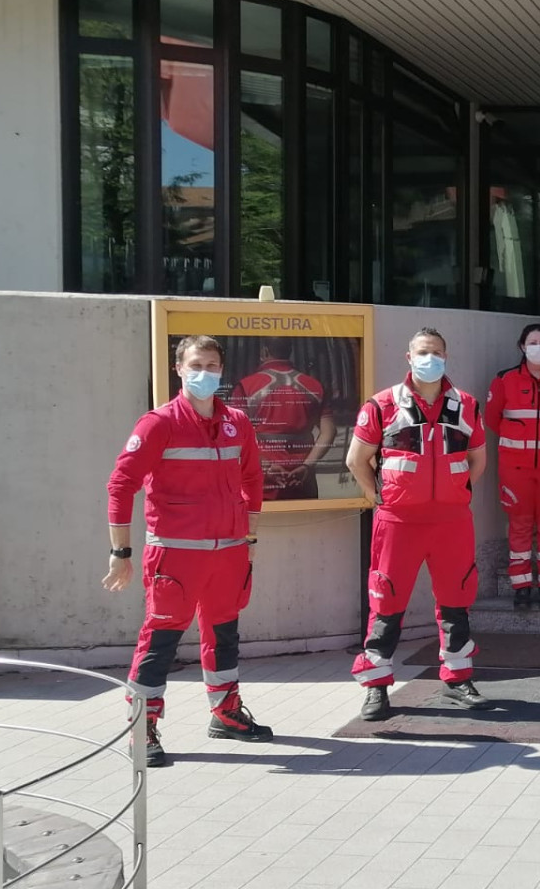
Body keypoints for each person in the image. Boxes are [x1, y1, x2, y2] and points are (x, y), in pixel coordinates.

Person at [105, 334, 272, 767]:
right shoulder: (158, 423)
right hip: (175, 555)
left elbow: (253, 480)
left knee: (225, 634)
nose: (205, 373)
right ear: (179, 369)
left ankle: (226, 713)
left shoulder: (236, 421)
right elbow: (121, 485)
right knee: (160, 641)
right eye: (196, 365)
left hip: (230, 552)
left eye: (213, 365)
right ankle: (142, 729)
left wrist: (250, 540)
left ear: (222, 370)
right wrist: (120, 551)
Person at [345, 328, 492, 721]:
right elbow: (356, 460)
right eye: (424, 352)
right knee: (386, 600)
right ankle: (376, 687)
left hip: (452, 521)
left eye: (438, 352)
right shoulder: (381, 404)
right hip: (398, 521)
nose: (432, 358)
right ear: (409, 357)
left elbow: (478, 460)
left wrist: (453, 491)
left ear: (447, 356)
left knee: (457, 600)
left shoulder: (467, 405)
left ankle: (458, 679)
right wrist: (378, 497)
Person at [489, 324, 540, 609]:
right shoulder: (504, 380)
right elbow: (491, 419)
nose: (538, 346)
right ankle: (522, 585)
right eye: (532, 342)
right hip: (515, 470)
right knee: (520, 525)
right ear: (522, 346)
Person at [227, 339, 336, 502]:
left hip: (263, 475)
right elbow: (329, 432)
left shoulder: (245, 386)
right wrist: (306, 465)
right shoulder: (315, 386)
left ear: (264, 352)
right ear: (289, 352)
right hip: (302, 478)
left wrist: (266, 466)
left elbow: (237, 434)